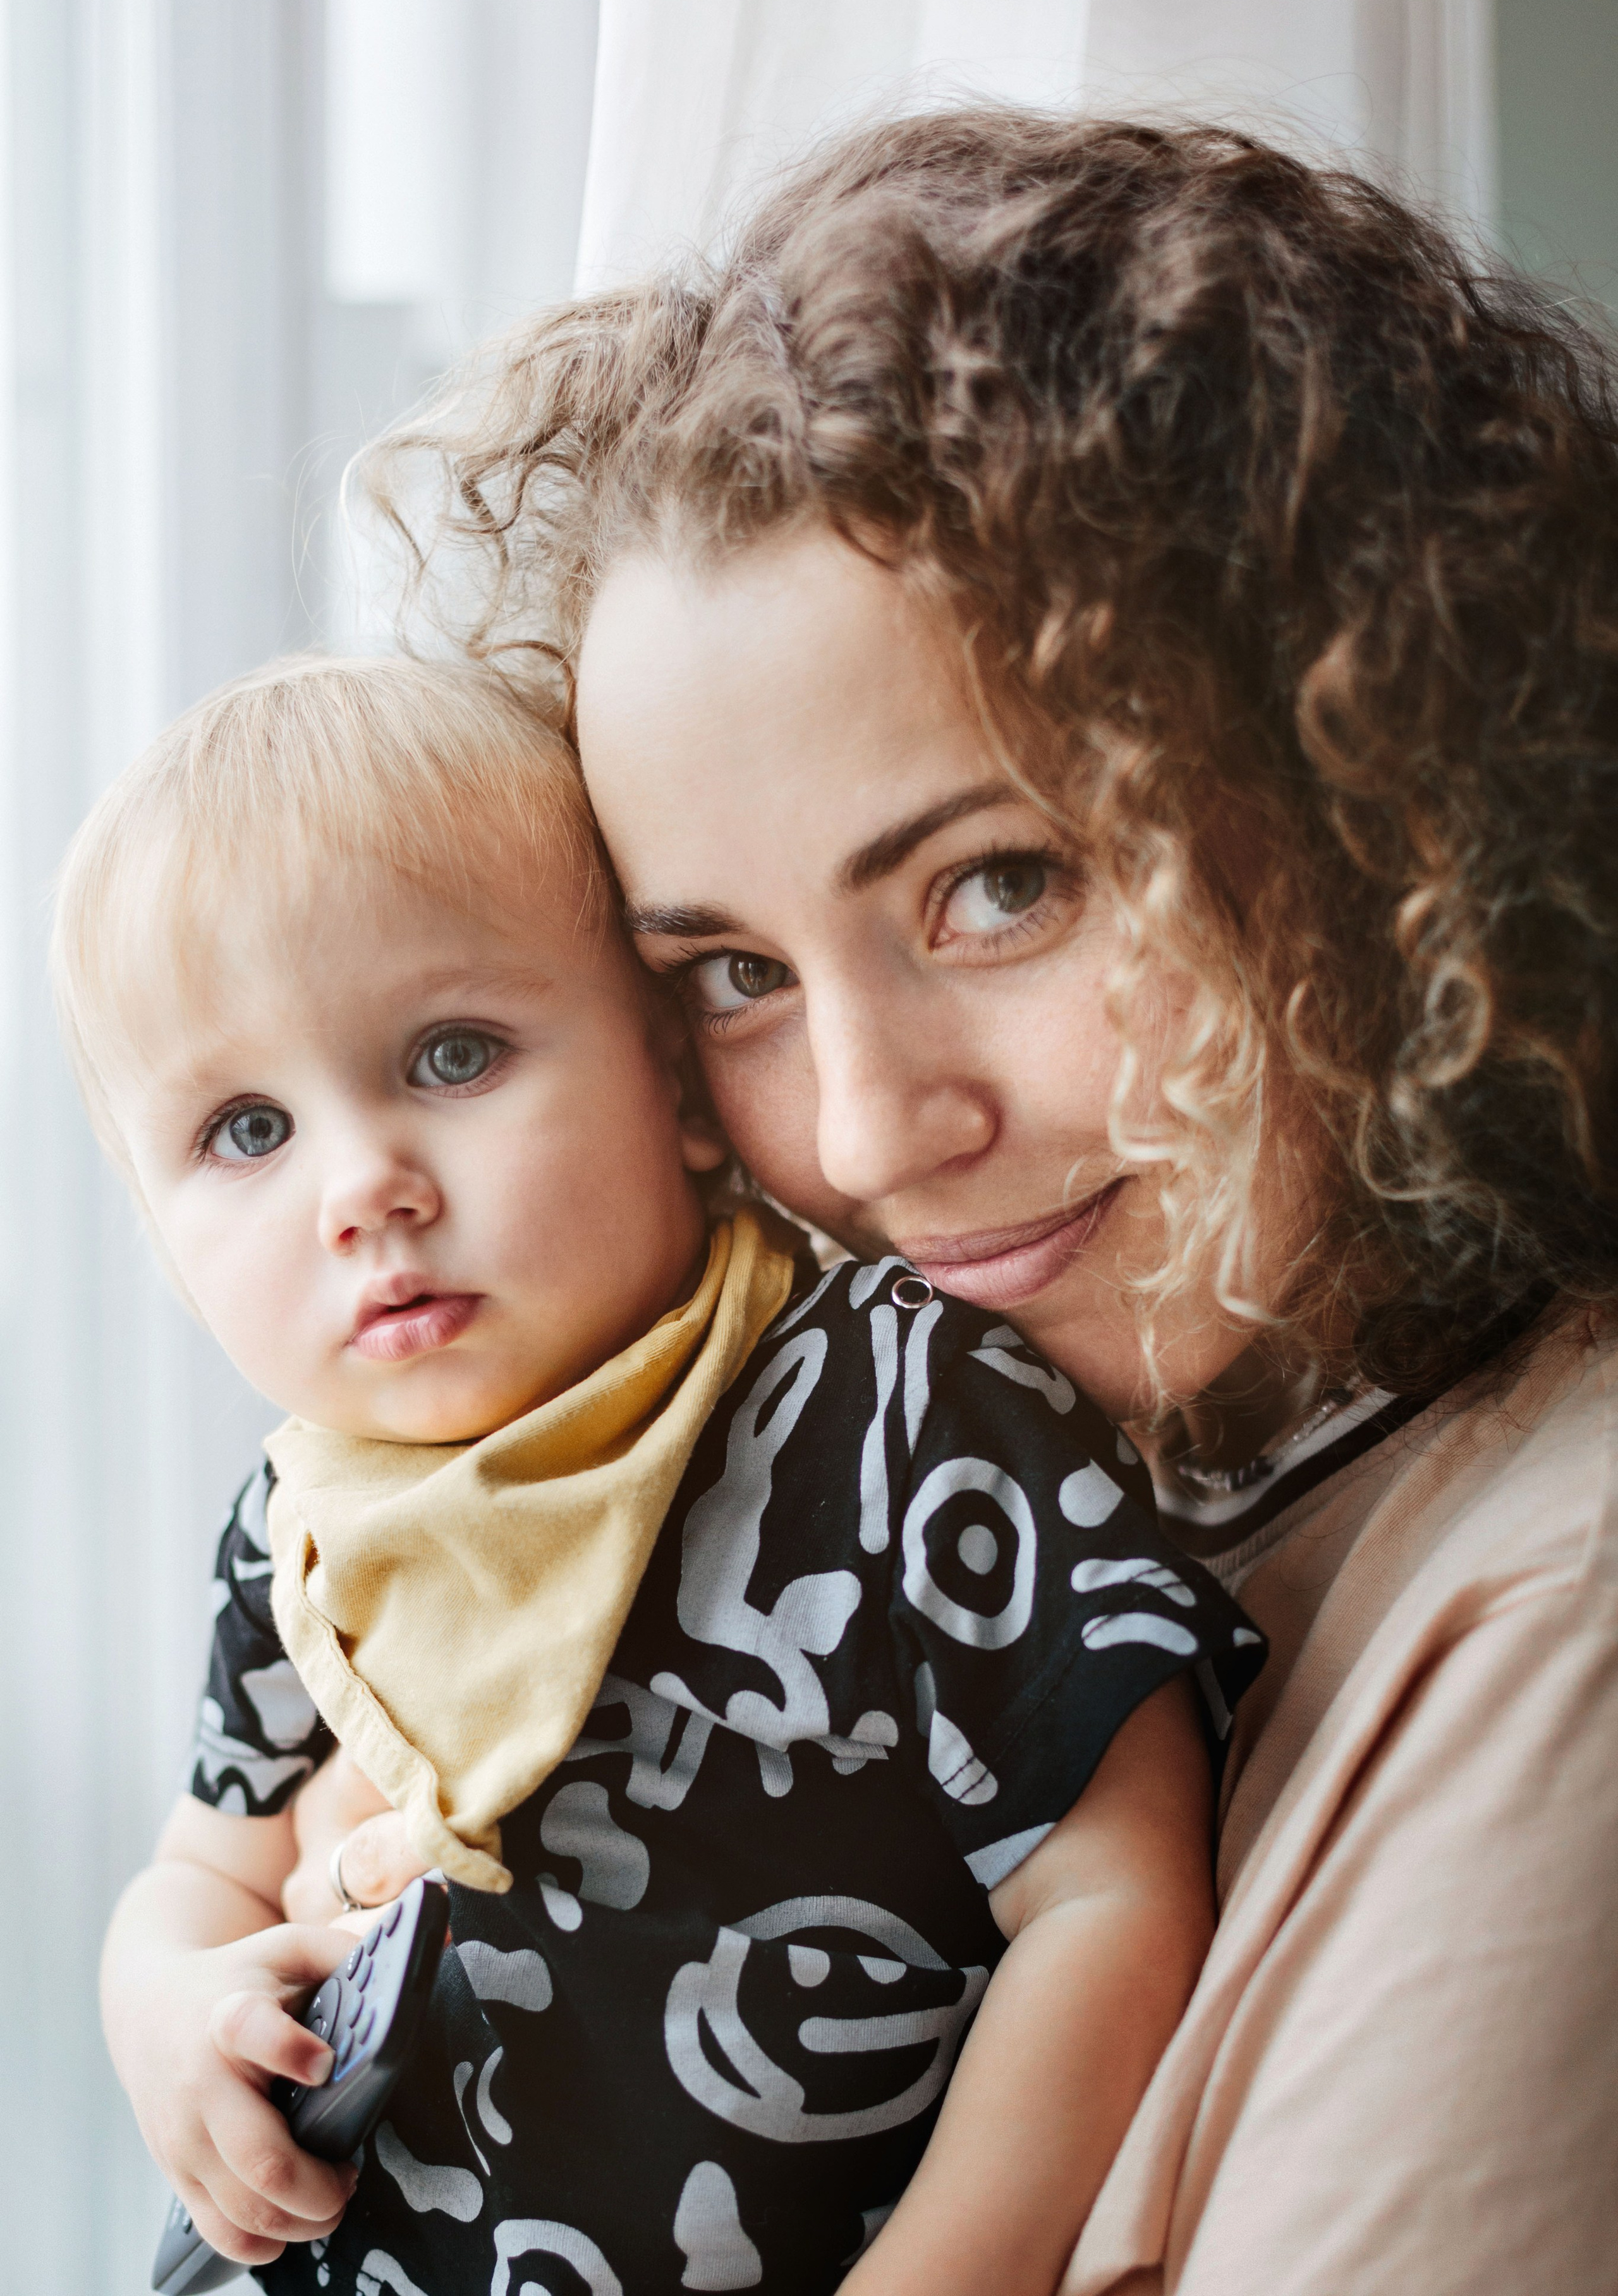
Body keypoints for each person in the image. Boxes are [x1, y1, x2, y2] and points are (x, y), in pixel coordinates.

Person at [305, 111, 1618, 2290]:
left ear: (1384, 797)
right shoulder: (949, 1524)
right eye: (727, 974)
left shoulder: (1552, 1628)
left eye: (998, 887)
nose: (870, 1128)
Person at [68, 651, 1262, 2294]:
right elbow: (198, 1871)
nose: (363, 1188)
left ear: (676, 1083)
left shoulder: (894, 1402)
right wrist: (162, 2012)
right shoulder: (303, 1528)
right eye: (247, 1133)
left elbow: (1113, 1899)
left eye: (453, 1055)